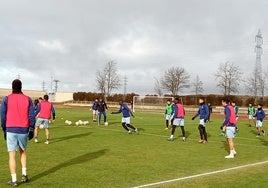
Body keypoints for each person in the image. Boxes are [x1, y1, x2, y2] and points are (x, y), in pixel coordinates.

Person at [1, 79, 35, 186]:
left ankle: (14, 180)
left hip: (10, 128)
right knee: (23, 152)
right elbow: (32, 115)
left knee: (12, 155)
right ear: (21, 87)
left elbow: (2, 115)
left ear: (12, 87)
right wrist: (32, 128)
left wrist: (4, 129)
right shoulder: (27, 99)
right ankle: (24, 175)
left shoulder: (6, 99)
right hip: (23, 129)